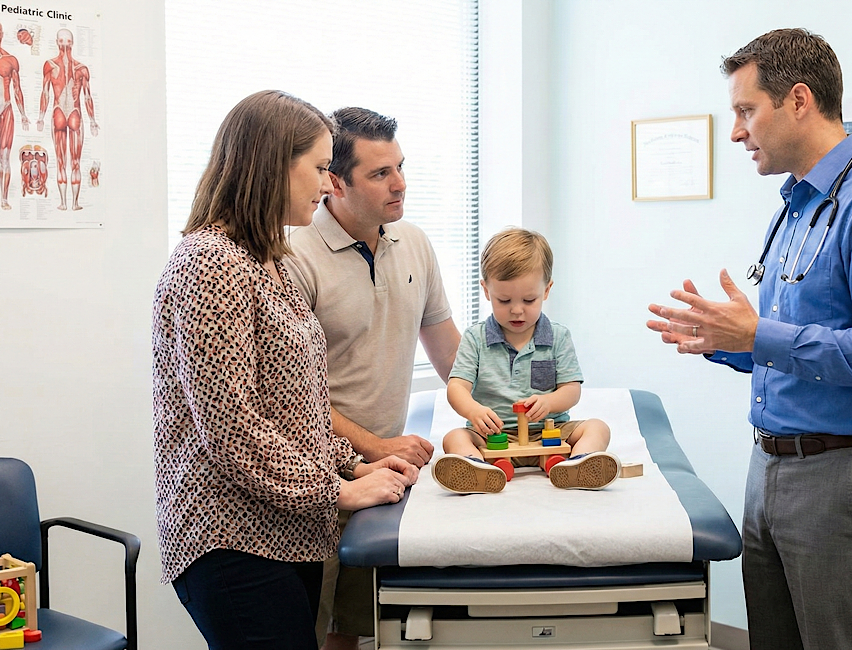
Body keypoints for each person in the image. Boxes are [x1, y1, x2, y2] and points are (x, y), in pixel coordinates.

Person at [647, 28, 852, 650]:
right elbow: (797, 344)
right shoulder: (800, 206)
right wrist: (727, 339)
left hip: (844, 477)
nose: (735, 132)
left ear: (798, 100)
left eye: (746, 111)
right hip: (771, 468)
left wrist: (761, 334)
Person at [152, 90, 418, 650]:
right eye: (320, 168)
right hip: (232, 540)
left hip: (283, 531)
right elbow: (231, 426)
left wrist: (354, 467)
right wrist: (333, 490)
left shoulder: (268, 259)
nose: (328, 184)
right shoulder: (209, 263)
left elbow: (294, 404)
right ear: (274, 164)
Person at [283, 107, 461, 650]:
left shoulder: (415, 243)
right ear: (332, 181)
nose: (400, 184)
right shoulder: (293, 257)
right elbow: (296, 394)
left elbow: (450, 352)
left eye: (401, 167)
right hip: (315, 469)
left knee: (354, 625)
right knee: (308, 628)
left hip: (381, 472)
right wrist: (376, 445)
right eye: (380, 174)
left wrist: (508, 415)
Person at [432, 228, 620, 494]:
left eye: (529, 300)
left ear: (547, 290)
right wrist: (473, 411)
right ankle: (477, 468)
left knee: (598, 427)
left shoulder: (558, 336)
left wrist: (549, 402)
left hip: (550, 433)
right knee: (455, 437)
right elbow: (456, 387)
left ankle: (578, 464)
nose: (517, 310)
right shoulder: (475, 338)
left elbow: (571, 390)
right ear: (486, 291)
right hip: (493, 437)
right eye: (504, 300)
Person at [37, 28, 97, 211]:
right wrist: (40, 117)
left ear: (71, 43)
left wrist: (93, 120)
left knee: (71, 161)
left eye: (67, 41)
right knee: (64, 161)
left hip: (69, 112)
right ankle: (68, 202)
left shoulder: (79, 69)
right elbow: (45, 93)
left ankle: (70, 202)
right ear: (57, 42)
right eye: (62, 41)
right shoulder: (55, 66)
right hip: (64, 112)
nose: (64, 45)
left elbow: (87, 96)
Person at [0, 23, 29, 210]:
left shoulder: (10, 59)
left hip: (6, 110)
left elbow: (17, 89)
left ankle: (3, 198)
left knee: (4, 156)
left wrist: (24, 114)